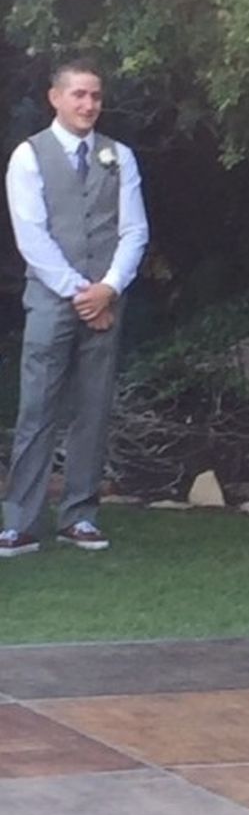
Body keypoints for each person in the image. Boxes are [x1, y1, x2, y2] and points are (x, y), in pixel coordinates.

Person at [1, 57, 149, 557]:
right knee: (37, 408)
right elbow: (31, 235)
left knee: (93, 409)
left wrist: (109, 288)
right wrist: (79, 293)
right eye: (79, 94)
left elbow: (134, 230)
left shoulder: (119, 157)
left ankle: (80, 516)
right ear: (55, 98)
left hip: (107, 299)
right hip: (51, 300)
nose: (89, 104)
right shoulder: (28, 156)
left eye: (95, 96)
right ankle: (20, 522)